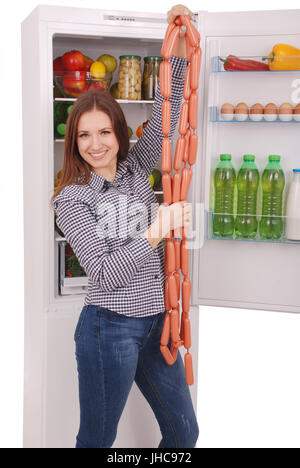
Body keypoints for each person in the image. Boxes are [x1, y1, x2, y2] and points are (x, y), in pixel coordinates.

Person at [51, 4, 199, 449]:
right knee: (97, 439)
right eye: (84, 135)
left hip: (158, 324)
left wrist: (178, 33)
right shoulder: (72, 198)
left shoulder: (137, 169)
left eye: (104, 133)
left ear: (120, 133)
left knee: (183, 433)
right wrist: (157, 229)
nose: (95, 145)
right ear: (73, 140)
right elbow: (104, 273)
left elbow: (167, 112)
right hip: (107, 327)